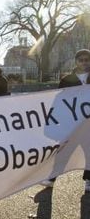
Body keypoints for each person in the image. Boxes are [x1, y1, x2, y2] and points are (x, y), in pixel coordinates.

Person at [41, 49, 90, 191]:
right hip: (73, 122)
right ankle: (51, 177)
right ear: (76, 62)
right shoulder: (66, 80)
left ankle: (88, 179)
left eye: (87, 60)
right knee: (64, 149)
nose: (84, 62)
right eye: (81, 60)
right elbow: (59, 99)